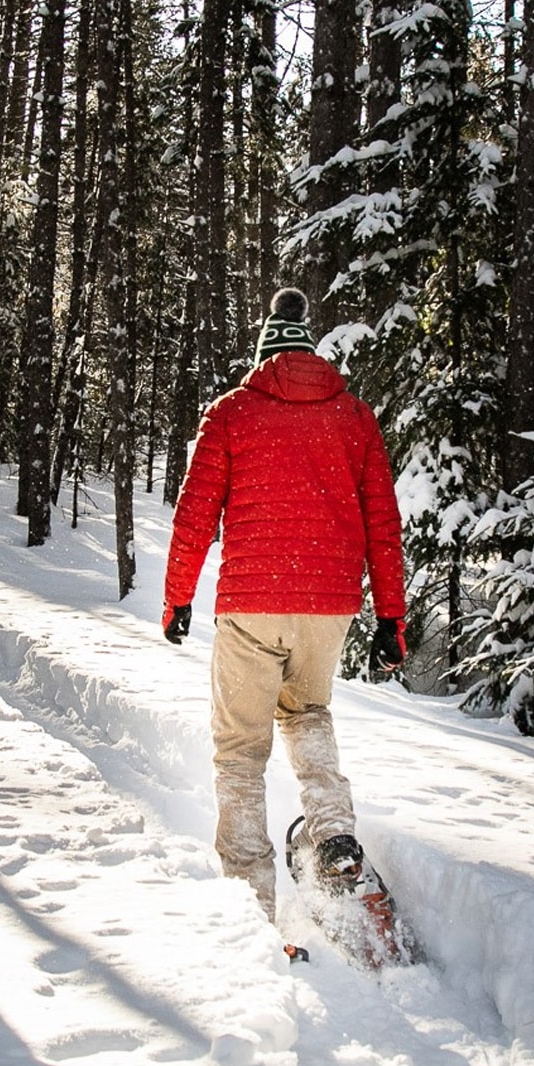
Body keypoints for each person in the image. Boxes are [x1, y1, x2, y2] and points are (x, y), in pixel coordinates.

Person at [161, 288, 410, 916]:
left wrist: (177, 599)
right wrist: (390, 618)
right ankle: (332, 834)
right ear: (309, 352)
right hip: (327, 607)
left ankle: (251, 894)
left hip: (252, 604)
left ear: (264, 354)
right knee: (308, 714)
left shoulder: (232, 413)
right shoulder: (353, 417)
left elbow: (194, 517)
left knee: (241, 748)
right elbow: (383, 522)